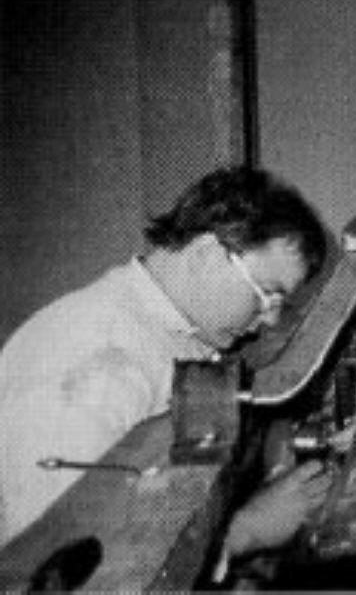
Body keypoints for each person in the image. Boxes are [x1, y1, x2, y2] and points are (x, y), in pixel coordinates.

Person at [0, 167, 331, 551]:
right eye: (267, 293)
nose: (270, 318)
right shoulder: (97, 354)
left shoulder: (176, 337)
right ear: (207, 254)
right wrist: (245, 531)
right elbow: (61, 557)